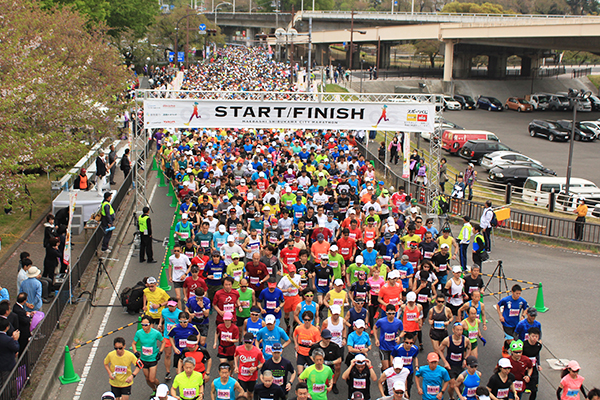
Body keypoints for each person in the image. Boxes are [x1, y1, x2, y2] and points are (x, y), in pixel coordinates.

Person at [132, 315, 165, 394]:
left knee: (152, 379)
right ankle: (154, 390)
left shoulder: (155, 333)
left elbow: (163, 342)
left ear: (150, 324)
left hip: (153, 358)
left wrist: (160, 352)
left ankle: (160, 387)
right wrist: (135, 351)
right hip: (143, 359)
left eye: (146, 325)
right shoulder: (139, 333)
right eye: (142, 325)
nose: (144, 327)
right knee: (147, 379)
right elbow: (133, 343)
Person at [438, 323, 471, 399]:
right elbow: (439, 350)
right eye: (457, 330)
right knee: (452, 385)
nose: (459, 332)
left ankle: (459, 396)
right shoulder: (447, 340)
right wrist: (445, 362)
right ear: (453, 330)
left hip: (460, 365)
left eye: (461, 330)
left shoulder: (465, 340)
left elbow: (469, 348)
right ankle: (451, 397)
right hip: (450, 366)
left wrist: (465, 359)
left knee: (461, 383)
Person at [497, 285, 528, 353]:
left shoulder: (522, 301)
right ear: (512, 292)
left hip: (516, 324)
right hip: (506, 323)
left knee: (515, 339)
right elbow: (498, 305)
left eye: (519, 293)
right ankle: (513, 354)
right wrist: (500, 316)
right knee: (512, 341)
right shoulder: (506, 300)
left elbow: (526, 308)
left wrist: (523, 316)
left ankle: (505, 347)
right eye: (517, 293)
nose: (518, 295)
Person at [234, 332, 265, 399]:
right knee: (243, 394)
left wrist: (256, 368)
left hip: (252, 377)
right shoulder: (238, 348)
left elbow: (262, 362)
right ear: (243, 340)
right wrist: (236, 366)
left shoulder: (257, 351)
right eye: (246, 342)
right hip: (242, 376)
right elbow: (236, 355)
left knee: (250, 394)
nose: (247, 344)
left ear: (253, 341)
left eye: (249, 343)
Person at [375, 304, 404, 371]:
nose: (391, 315)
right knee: (386, 367)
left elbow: (402, 331)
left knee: (392, 366)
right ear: (386, 313)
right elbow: (375, 327)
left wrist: (399, 337)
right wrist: (376, 339)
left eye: (393, 313)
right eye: (389, 313)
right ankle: (383, 376)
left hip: (393, 347)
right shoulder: (381, 321)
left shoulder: (398, 322)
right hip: (383, 347)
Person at [293, 310, 321, 375]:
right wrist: (296, 344)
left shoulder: (315, 330)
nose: (307, 321)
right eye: (305, 320)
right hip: (301, 353)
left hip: (310, 354)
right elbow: (294, 335)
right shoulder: (298, 328)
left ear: (311, 320)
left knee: (312, 373)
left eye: (309, 320)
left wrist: (313, 344)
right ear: (303, 320)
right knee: (300, 373)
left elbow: (319, 342)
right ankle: (301, 384)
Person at [523, 327, 542, 400]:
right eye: (533, 336)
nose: (535, 338)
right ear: (529, 336)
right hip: (524, 367)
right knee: (520, 387)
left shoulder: (538, 345)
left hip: (533, 367)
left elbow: (537, 355)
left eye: (536, 336)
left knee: (534, 389)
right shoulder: (524, 345)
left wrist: (539, 364)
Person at [0, 319, 19, 387]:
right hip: (6, 365)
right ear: (7, 327)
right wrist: (15, 340)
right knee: (6, 384)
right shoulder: (8, 340)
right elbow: (16, 348)